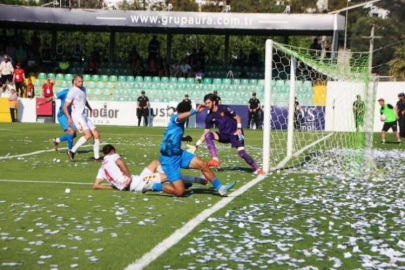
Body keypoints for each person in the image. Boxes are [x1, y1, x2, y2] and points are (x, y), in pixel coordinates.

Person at [142, 101, 236, 197]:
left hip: (179, 154)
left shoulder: (179, 122)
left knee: (202, 164)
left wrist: (183, 138)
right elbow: (179, 117)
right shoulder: (176, 118)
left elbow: (170, 136)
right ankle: (152, 185)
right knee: (180, 191)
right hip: (168, 160)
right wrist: (195, 111)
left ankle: (220, 188)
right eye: (187, 113)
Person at [195, 94, 265, 175]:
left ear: (214, 102)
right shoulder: (209, 117)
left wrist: (239, 128)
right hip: (224, 136)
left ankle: (258, 169)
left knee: (242, 154)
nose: (207, 105)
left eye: (208, 103)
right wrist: (196, 145)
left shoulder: (224, 108)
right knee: (208, 135)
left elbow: (238, 117)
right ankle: (215, 159)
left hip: (235, 133)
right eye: (206, 103)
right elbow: (206, 132)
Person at [93, 145, 207, 191]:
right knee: (169, 176)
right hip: (138, 182)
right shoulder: (113, 156)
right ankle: (201, 180)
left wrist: (116, 186)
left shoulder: (101, 168)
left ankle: (178, 183)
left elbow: (96, 185)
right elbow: (121, 162)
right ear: (112, 151)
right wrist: (127, 175)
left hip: (136, 180)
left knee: (155, 162)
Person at [63, 74, 102, 162]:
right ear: (75, 81)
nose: (81, 83)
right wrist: (69, 118)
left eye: (82, 81)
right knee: (88, 135)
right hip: (77, 116)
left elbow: (84, 100)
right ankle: (72, 151)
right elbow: (65, 107)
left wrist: (90, 109)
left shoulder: (83, 89)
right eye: (79, 81)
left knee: (96, 134)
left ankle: (96, 158)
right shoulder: (72, 92)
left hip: (83, 115)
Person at [38, 80, 76, 152]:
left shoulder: (77, 93)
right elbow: (52, 97)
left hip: (70, 115)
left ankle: (56, 140)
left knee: (74, 135)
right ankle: (70, 151)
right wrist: (43, 102)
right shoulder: (65, 92)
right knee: (71, 132)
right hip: (62, 115)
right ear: (73, 84)